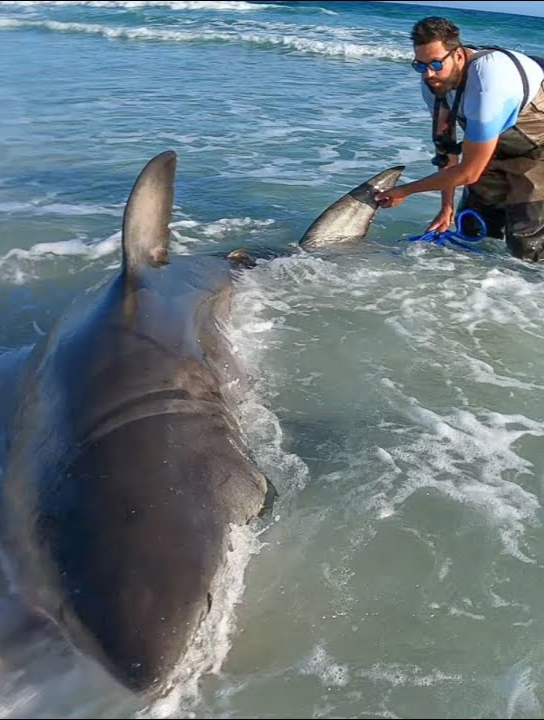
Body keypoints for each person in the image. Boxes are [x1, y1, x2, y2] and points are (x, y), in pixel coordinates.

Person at [374, 16, 544, 261]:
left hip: (539, 147)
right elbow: (446, 150)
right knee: (474, 228)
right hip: (496, 145)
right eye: (420, 65)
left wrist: (405, 191)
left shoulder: (490, 81)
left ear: (459, 55)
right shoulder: (434, 83)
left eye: (435, 63)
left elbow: (469, 173)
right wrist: (447, 208)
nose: (427, 74)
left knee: (527, 245)